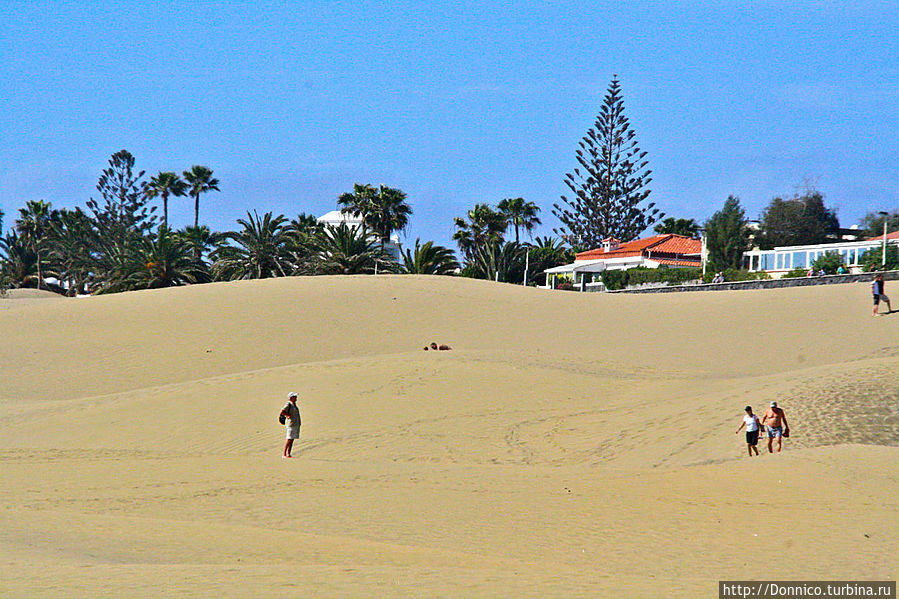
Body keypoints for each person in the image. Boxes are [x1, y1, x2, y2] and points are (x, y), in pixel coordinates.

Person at [280, 392, 301, 458]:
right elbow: (282, 411)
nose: (296, 398)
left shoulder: (294, 404)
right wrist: (287, 415)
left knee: (292, 440)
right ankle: (284, 454)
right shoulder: (288, 404)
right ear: (291, 398)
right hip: (291, 424)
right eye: (294, 396)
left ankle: (288, 454)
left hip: (295, 424)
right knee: (289, 439)